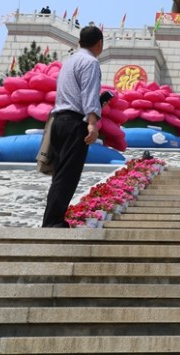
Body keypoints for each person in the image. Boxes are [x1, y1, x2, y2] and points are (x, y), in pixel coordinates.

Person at [41, 26, 105, 228]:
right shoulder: (91, 62)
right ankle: (53, 222)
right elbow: (89, 94)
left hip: (58, 121)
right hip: (74, 123)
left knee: (60, 173)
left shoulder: (69, 62)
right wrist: (93, 123)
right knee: (68, 174)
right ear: (99, 44)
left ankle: (52, 219)